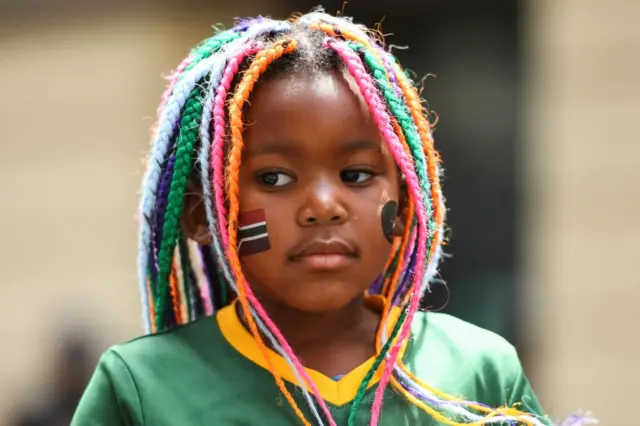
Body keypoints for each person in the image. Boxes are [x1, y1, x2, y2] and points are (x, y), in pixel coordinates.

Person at [71, 10, 554, 426]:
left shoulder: (478, 370)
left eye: (357, 174)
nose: (324, 205)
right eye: (276, 178)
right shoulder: (141, 386)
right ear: (202, 215)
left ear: (407, 205)